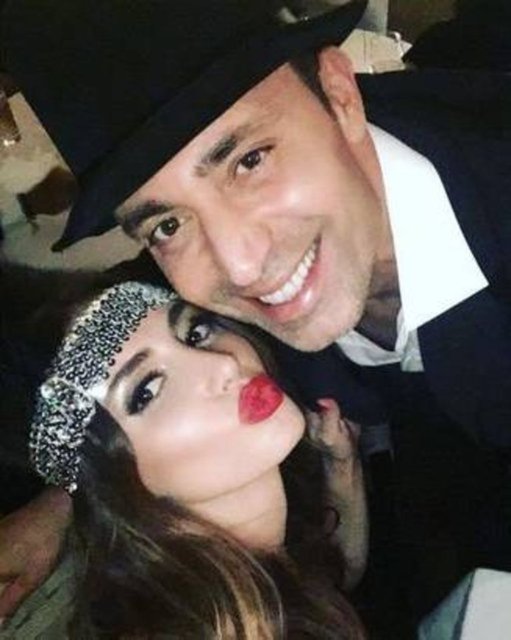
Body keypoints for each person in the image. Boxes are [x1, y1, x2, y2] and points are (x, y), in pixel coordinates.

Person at [1, 0, 510, 634]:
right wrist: (76, 489)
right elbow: (116, 330)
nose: (241, 268)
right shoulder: (201, 308)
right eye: (167, 224)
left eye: (249, 160)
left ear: (339, 96)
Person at [1, 274, 367, 638]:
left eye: (195, 333)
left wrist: (341, 466)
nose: (224, 364)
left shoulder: (262, 533)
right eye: (146, 391)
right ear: (107, 480)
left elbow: (328, 582)